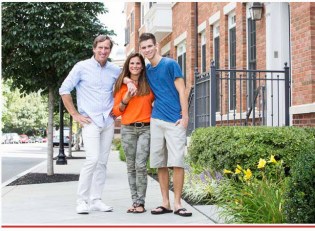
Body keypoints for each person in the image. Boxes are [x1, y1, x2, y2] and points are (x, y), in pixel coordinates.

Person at [59, 35, 121, 214]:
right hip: (90, 121)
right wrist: (75, 114)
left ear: (110, 50)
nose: (103, 51)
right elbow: (64, 89)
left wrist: (127, 82)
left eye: (106, 48)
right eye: (100, 47)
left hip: (108, 121)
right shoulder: (81, 67)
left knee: (102, 163)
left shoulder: (114, 69)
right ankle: (82, 201)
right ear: (94, 48)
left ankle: (96, 199)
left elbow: (123, 81)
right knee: (92, 160)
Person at [138, 32, 192, 217]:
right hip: (156, 119)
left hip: (175, 120)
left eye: (150, 46)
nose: (147, 50)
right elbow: (130, 74)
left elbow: (182, 90)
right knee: (160, 162)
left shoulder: (170, 64)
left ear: (156, 46)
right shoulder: (147, 71)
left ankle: (178, 203)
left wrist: (185, 116)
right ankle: (165, 202)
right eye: (144, 47)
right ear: (141, 49)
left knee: (177, 162)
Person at [112, 53, 154, 213]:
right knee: (131, 167)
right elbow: (116, 111)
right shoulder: (121, 86)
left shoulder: (148, 83)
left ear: (142, 66)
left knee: (141, 165)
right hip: (128, 129)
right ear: (127, 66)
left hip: (146, 128)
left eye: (138, 63)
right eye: (132, 63)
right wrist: (126, 99)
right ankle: (135, 202)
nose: (135, 66)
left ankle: (141, 203)